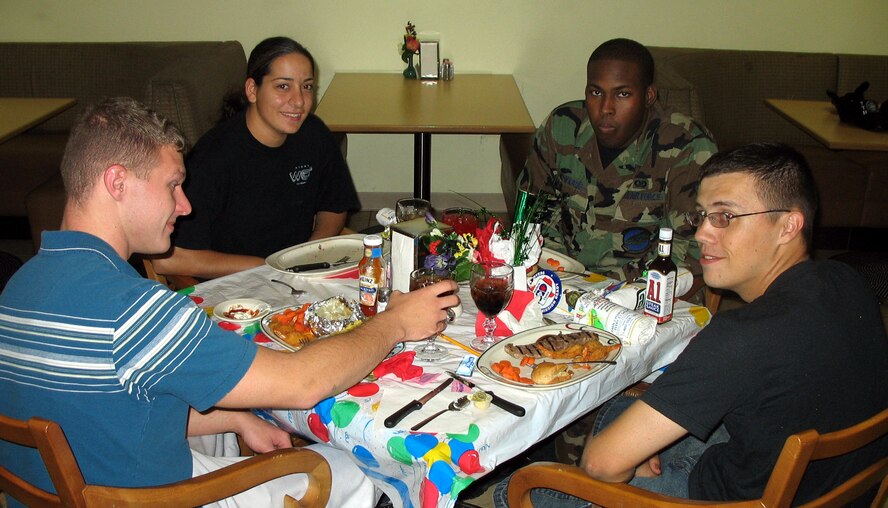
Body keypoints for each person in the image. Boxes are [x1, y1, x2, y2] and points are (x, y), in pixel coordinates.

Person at [0, 97, 458, 507]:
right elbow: (303, 383)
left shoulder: (17, 288)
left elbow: (105, 414)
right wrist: (396, 323)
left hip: (79, 485)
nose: (185, 206)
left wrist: (237, 420)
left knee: (224, 422)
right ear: (117, 182)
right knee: (348, 469)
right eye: (172, 185)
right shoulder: (135, 310)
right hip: (145, 499)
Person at [495, 143, 888, 507]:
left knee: (536, 484)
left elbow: (602, 464)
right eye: (702, 216)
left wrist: (614, 458)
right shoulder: (848, 281)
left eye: (725, 217)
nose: (701, 233)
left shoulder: (740, 336)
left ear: (788, 226)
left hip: (744, 500)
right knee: (619, 413)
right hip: (837, 488)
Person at [152, 36, 360, 280]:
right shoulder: (213, 158)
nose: (299, 101)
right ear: (252, 90)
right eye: (283, 86)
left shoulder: (314, 134)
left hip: (296, 278)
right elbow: (169, 260)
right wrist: (268, 268)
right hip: (234, 288)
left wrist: (311, 252)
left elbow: (334, 205)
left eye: (306, 87)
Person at [519, 38, 717, 282]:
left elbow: (693, 250)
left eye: (623, 94)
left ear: (648, 96)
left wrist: (612, 290)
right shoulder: (563, 127)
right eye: (596, 92)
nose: (606, 108)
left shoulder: (686, 145)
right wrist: (549, 270)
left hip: (638, 291)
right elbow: (530, 212)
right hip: (560, 278)